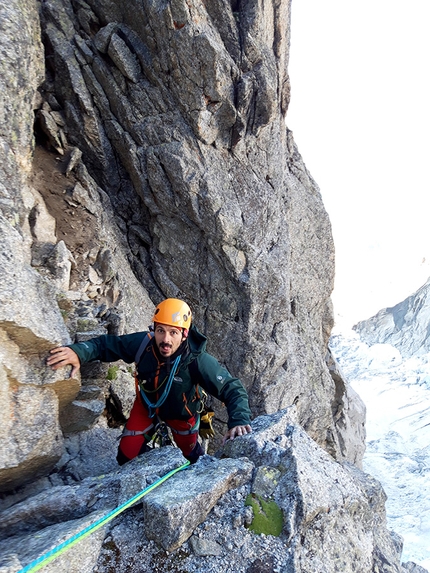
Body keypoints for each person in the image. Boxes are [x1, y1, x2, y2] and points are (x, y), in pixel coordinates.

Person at [47, 298, 252, 464]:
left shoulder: (196, 360)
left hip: (181, 416)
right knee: (126, 457)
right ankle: (150, 464)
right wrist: (78, 352)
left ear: (184, 334)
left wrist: (239, 420)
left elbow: (231, 388)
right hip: (146, 407)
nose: (166, 339)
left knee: (193, 459)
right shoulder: (144, 344)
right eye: (161, 330)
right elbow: (107, 346)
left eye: (173, 332)